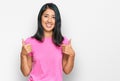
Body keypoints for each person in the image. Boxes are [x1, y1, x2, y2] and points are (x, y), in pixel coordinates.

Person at [20, 3, 75, 81]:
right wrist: (23, 55)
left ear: (57, 20)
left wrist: (72, 55)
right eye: (46, 16)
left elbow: (67, 70)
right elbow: (25, 72)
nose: (49, 20)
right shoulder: (30, 42)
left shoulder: (63, 42)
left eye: (53, 17)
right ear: (40, 18)